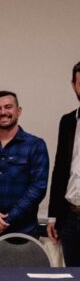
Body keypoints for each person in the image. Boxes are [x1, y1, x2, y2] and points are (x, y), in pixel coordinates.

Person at [0, 91, 49, 252]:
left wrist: (9, 218)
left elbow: (38, 187)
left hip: (24, 230)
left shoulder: (35, 145)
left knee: (24, 269)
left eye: (8, 107)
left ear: (19, 111)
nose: (3, 112)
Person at [47, 61, 80, 265]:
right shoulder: (68, 121)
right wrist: (53, 216)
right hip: (70, 217)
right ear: (74, 86)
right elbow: (59, 170)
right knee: (72, 277)